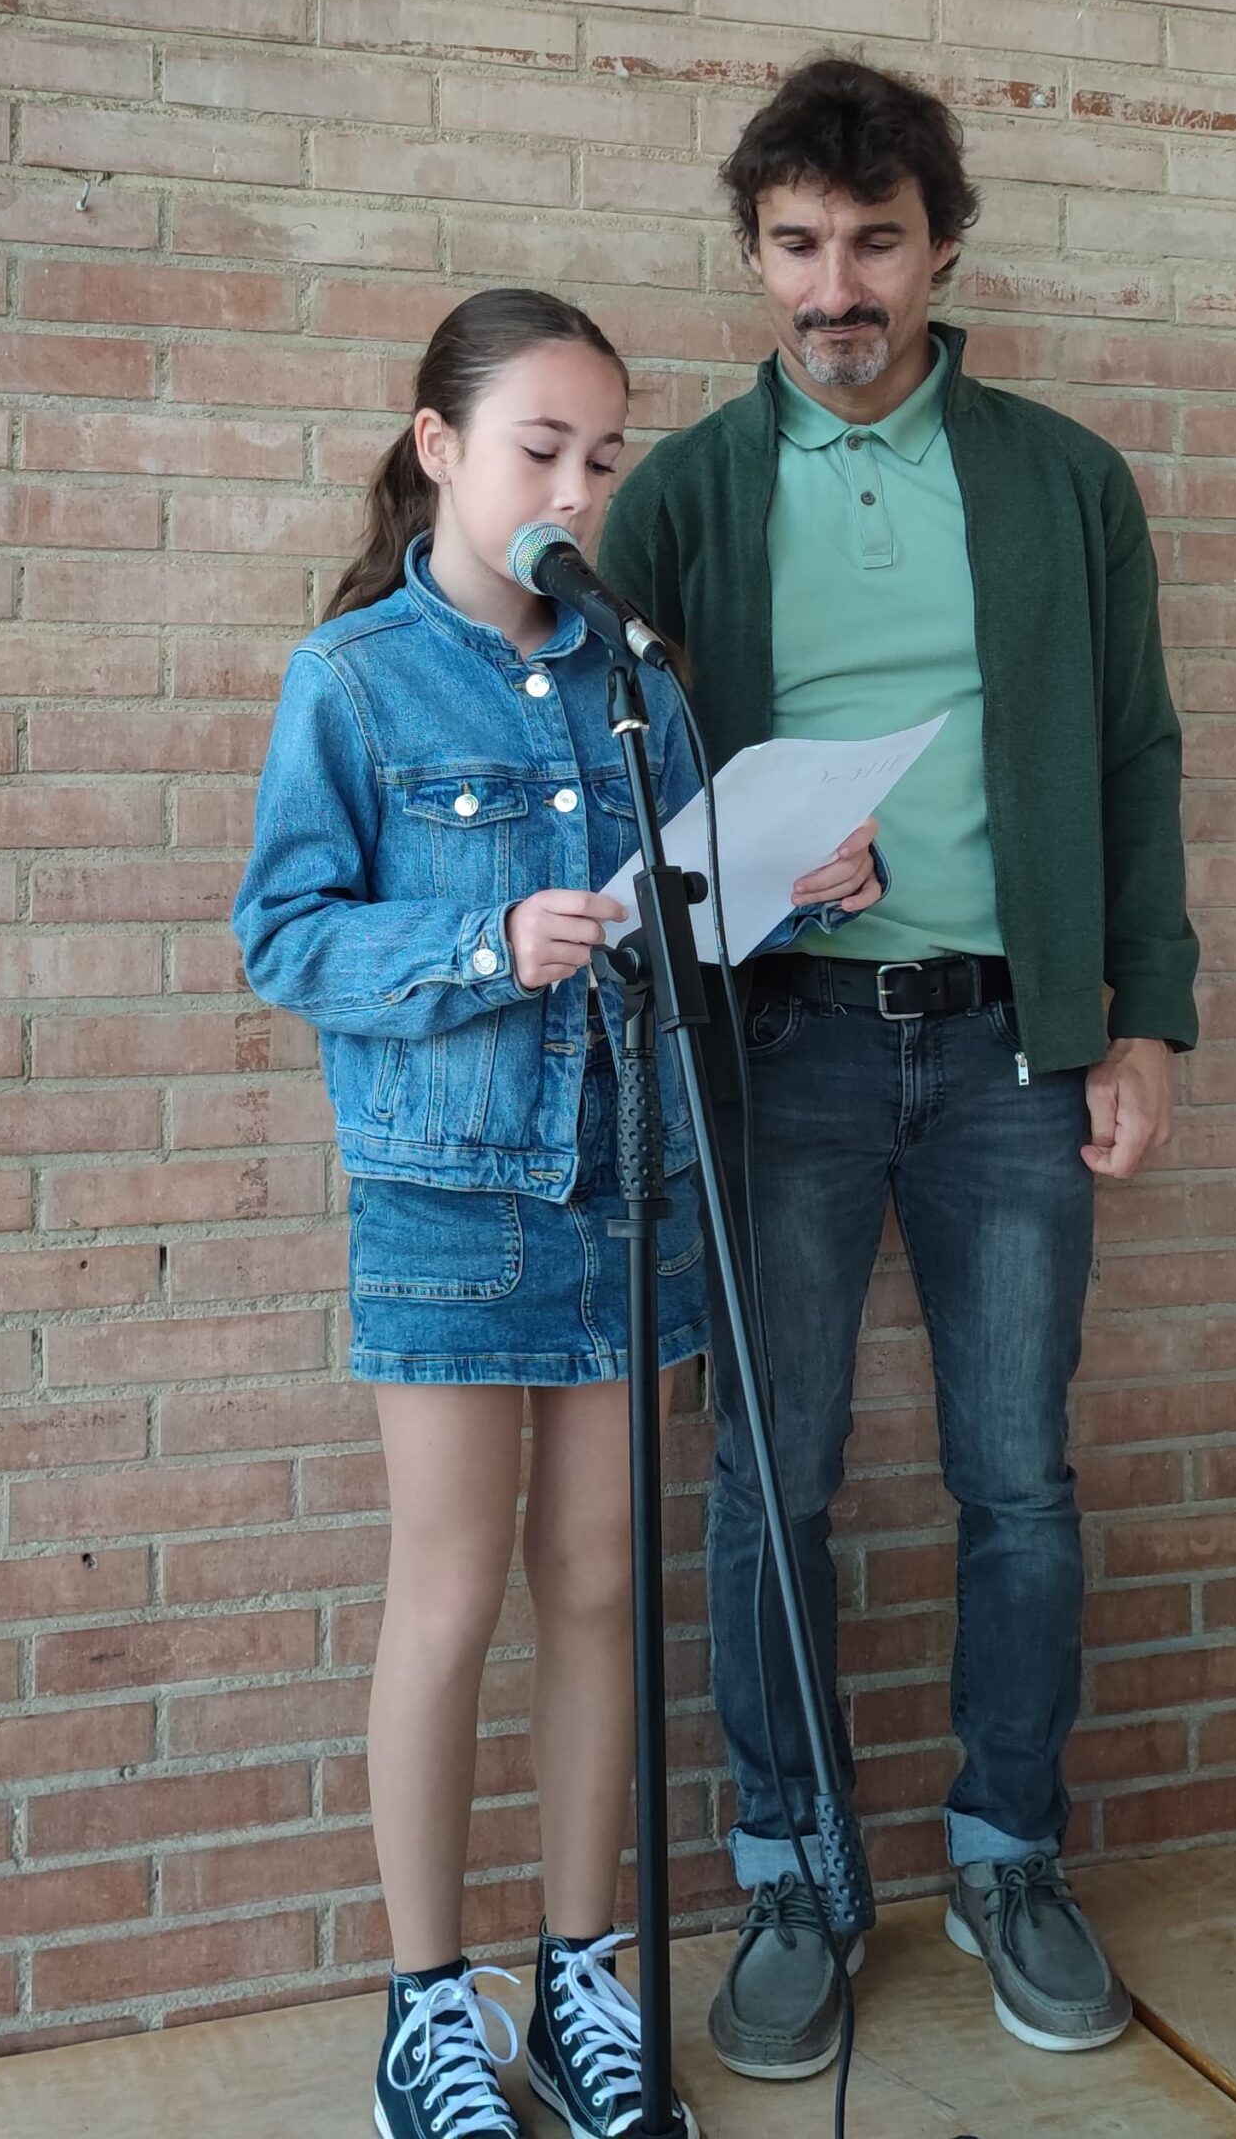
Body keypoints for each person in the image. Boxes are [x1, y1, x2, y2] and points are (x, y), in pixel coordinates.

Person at [598, 61, 1200, 2077]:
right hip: (774, 1053)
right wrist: (751, 879)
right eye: (796, 244)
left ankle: (1009, 1858)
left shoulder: (1057, 481)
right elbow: (611, 788)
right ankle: (793, 1875)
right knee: (768, 1480)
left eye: (873, 240)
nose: (834, 285)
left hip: (1008, 1046)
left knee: (1014, 1474)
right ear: (753, 253)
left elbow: (1132, 754)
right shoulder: (682, 494)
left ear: (941, 245)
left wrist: (1139, 1017)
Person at [232, 288, 882, 2139]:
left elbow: (684, 918)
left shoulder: (635, 679)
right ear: (439, 446)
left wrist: (801, 883)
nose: (575, 492)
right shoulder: (355, 677)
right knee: (449, 1597)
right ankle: (427, 2009)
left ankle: (583, 1974)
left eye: (601, 458)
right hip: (453, 1204)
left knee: (601, 1588)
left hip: (634, 1191)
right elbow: (284, 936)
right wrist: (480, 943)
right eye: (540, 450)